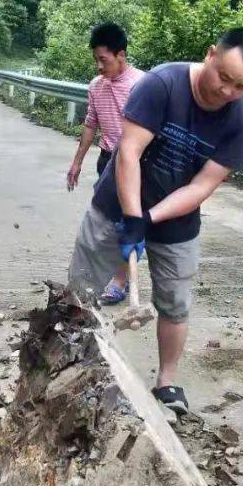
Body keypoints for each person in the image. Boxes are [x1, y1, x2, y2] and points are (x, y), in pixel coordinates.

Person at [68, 28, 243, 415]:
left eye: (242, 87)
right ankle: (72, 362)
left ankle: (167, 381)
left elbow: (201, 186)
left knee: (175, 303)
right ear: (210, 54)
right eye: (224, 77)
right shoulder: (163, 84)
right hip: (114, 205)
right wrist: (130, 216)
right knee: (79, 291)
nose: (227, 91)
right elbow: (128, 152)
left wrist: (148, 219)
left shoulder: (239, 123)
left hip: (175, 220)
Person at [65, 23, 144, 303]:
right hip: (107, 161)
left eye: (104, 59)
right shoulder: (96, 87)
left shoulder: (143, 86)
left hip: (136, 164)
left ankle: (121, 280)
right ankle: (98, 277)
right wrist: (77, 163)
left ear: (121, 55)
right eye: (95, 60)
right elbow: (90, 125)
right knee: (105, 224)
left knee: (128, 224)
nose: (99, 66)